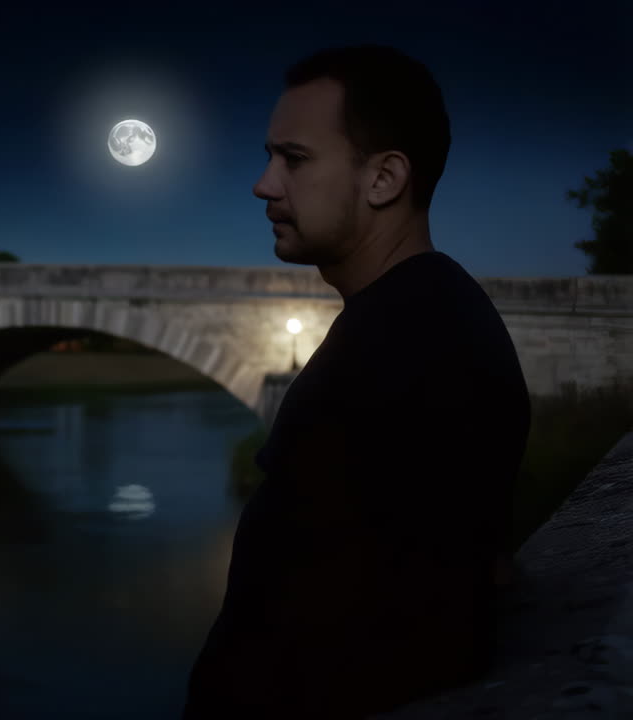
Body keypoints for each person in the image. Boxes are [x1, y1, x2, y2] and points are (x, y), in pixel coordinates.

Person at [182, 44, 532, 718]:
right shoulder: (432, 313)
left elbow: (321, 638)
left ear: (384, 179)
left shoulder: (393, 351)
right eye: (269, 157)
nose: (264, 184)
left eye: (295, 159)